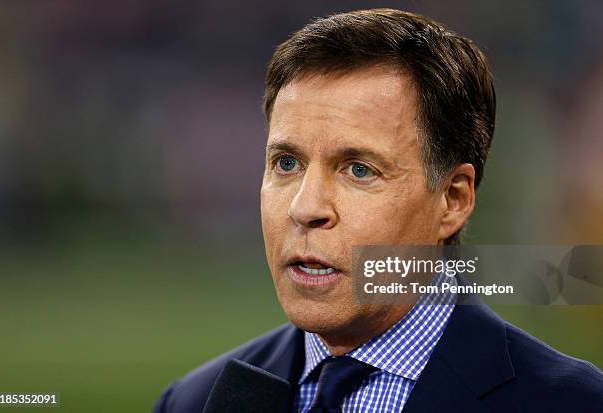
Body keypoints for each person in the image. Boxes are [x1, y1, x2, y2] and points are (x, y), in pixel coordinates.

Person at [153, 8, 603, 413]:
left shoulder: (571, 403)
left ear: (453, 199)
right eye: (286, 163)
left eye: (359, 170)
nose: (305, 208)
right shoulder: (193, 401)